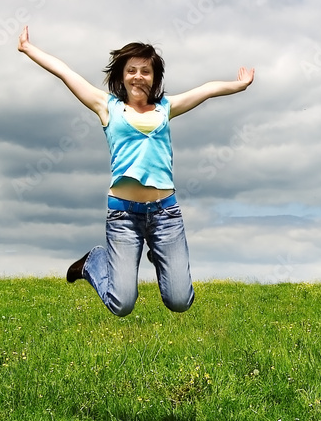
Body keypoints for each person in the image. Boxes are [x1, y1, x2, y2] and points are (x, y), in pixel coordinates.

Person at [17, 26, 254, 316]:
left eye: (145, 71)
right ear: (121, 75)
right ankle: (93, 261)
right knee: (122, 304)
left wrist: (238, 85)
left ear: (154, 79)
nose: (138, 77)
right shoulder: (107, 107)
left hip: (165, 214)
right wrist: (29, 49)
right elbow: (66, 73)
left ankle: (160, 253)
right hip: (123, 216)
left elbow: (205, 90)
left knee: (180, 301)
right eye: (132, 70)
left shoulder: (165, 108)